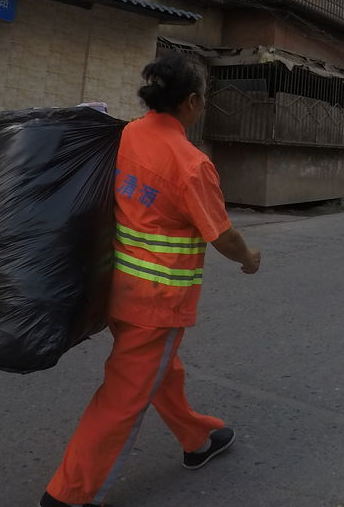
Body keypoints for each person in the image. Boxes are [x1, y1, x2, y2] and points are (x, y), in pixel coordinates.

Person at [41, 54, 262, 507]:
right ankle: (69, 495)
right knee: (123, 397)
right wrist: (250, 258)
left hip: (116, 288)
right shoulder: (190, 163)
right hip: (156, 303)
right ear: (193, 101)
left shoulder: (123, 136)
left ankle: (197, 440)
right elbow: (221, 234)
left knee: (162, 370)